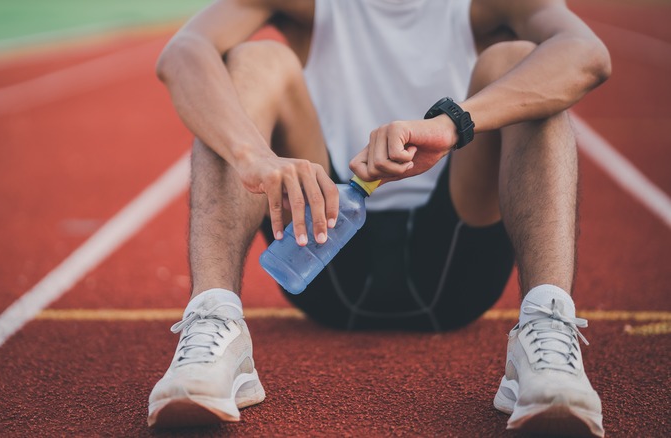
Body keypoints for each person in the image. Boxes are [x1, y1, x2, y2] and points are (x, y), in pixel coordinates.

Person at [147, 0, 611, 435]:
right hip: (321, 248)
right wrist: (251, 155)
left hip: (458, 260)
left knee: (522, 61)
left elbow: (586, 54)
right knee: (253, 62)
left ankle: (547, 329)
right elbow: (184, 52)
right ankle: (213, 321)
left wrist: (451, 123)